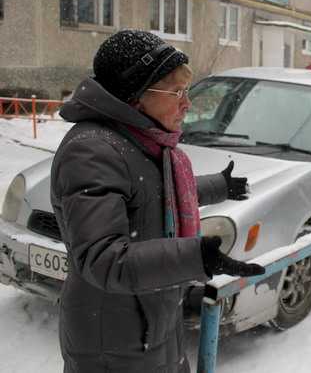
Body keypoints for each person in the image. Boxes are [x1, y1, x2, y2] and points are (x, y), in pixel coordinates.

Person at [50, 29, 265, 373]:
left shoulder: (141, 138)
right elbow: (102, 257)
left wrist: (217, 187)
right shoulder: (92, 150)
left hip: (153, 315)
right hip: (114, 342)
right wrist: (196, 256)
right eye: (176, 91)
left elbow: (152, 191)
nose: (187, 103)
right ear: (135, 96)